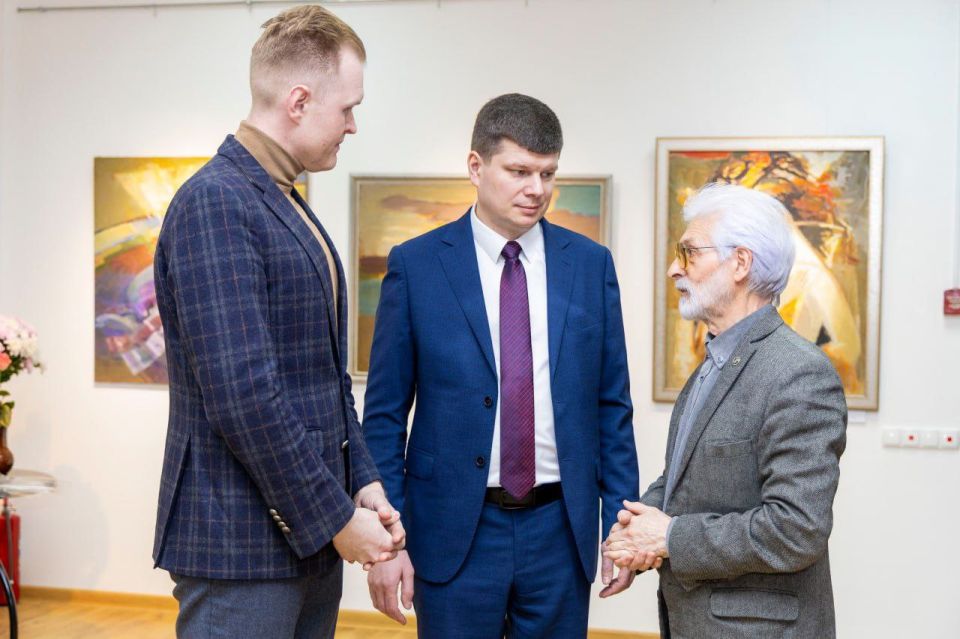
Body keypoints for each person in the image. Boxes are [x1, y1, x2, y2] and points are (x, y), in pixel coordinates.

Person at [151, 6, 402, 637]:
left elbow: (324, 378)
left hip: (303, 541)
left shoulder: (282, 199)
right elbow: (244, 395)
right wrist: (336, 519)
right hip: (240, 548)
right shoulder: (216, 201)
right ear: (298, 101)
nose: (353, 125)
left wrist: (363, 480)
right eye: (347, 108)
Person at [362, 93, 639, 638]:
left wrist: (621, 526)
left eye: (547, 174)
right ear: (476, 166)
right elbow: (385, 417)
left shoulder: (590, 265)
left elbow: (612, 407)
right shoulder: (417, 266)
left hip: (561, 529)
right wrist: (387, 542)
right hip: (452, 531)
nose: (536, 189)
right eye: (519, 171)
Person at [604, 183, 847, 639]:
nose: (675, 268)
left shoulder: (798, 373)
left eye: (690, 252)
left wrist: (668, 537)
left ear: (740, 263)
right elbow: (684, 481)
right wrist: (634, 528)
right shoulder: (714, 364)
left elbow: (796, 530)